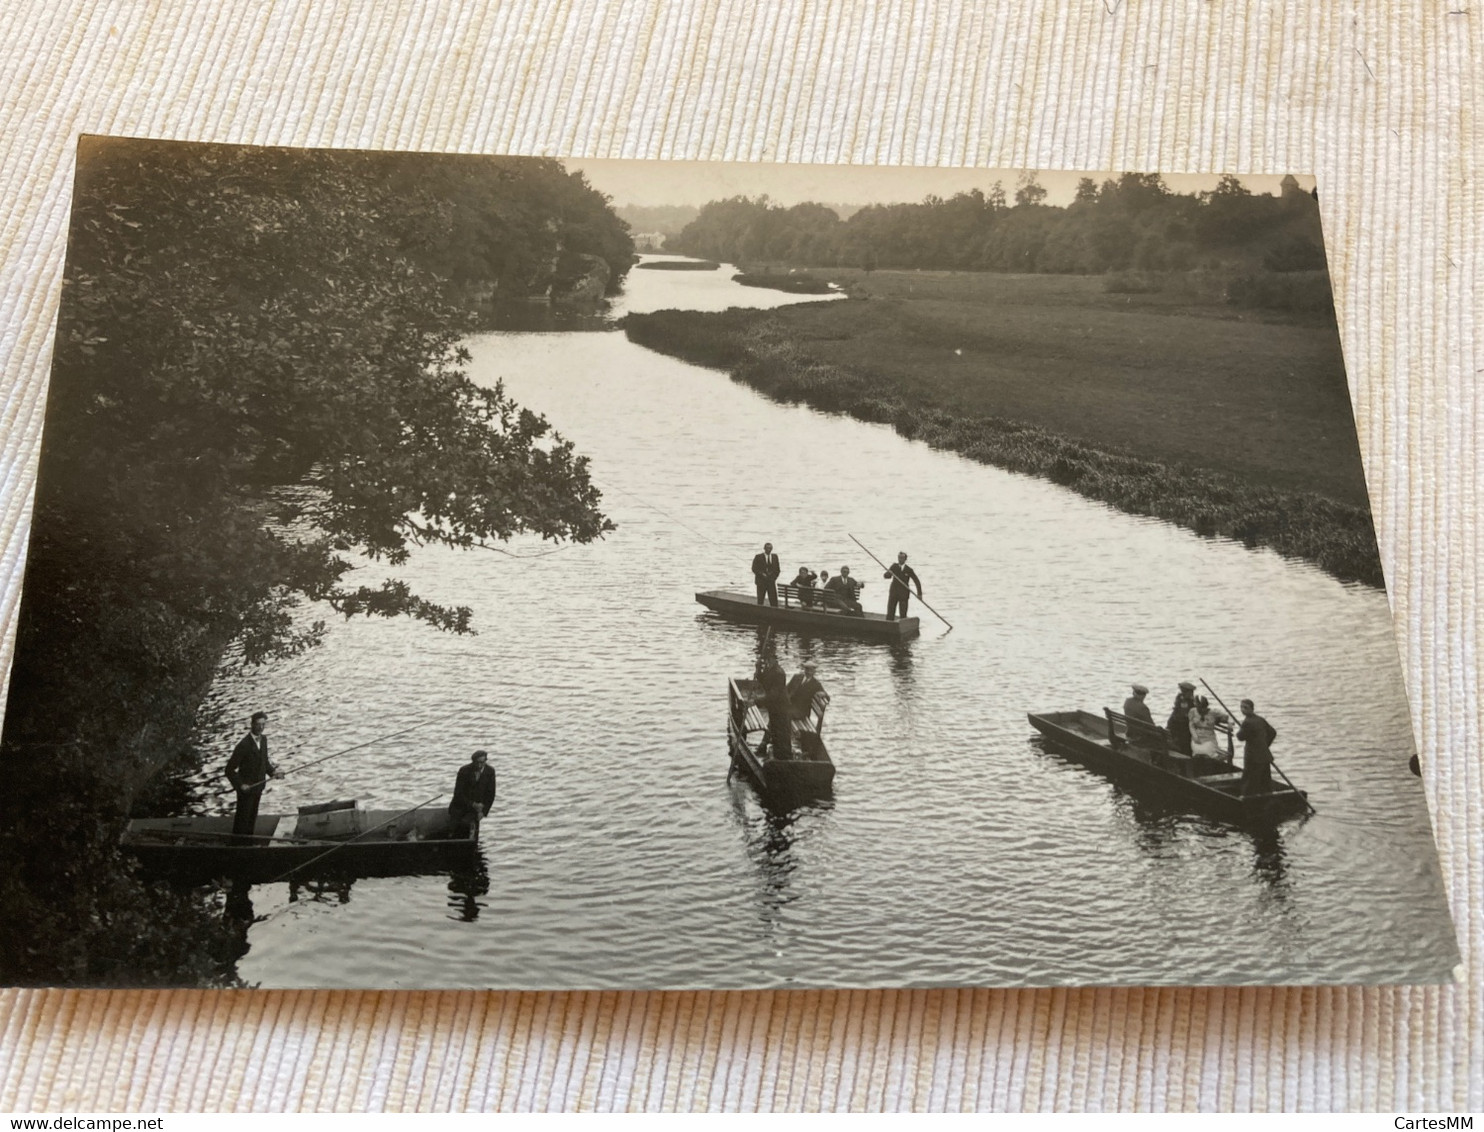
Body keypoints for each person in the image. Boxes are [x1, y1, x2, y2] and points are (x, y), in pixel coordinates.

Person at [225, 710, 280, 838]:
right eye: (258, 724)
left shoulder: (264, 740)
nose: (261, 728)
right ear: (252, 724)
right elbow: (229, 770)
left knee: (252, 818)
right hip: (246, 790)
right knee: (242, 821)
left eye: (263, 724)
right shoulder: (243, 745)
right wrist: (240, 785)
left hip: (258, 787)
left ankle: (248, 845)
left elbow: (264, 762)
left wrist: (273, 772)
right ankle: (237, 847)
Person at [449, 749, 498, 838]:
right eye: (477, 763)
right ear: (473, 762)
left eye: (482, 762)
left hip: (476, 810)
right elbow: (458, 793)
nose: (479, 765)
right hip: (460, 806)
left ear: (486, 761)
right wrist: (473, 804)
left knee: (468, 826)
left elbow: (491, 794)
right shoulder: (464, 770)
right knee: (454, 829)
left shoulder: (490, 771)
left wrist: (483, 812)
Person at [1236, 699, 1278, 796]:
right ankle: (1267, 796)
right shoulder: (1260, 719)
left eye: (1245, 708)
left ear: (1252, 709)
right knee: (1265, 779)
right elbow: (1272, 732)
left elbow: (1240, 737)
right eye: (1241, 707)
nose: (1243, 710)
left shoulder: (1247, 722)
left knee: (1249, 779)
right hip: (1264, 755)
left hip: (1252, 757)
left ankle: (1246, 799)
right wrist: (1264, 745)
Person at [758, 662, 794, 759]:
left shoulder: (778, 673)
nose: (765, 661)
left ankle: (785, 758)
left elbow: (773, 695)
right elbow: (765, 683)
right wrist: (758, 671)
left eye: (767, 659)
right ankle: (779, 757)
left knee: (782, 735)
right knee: (776, 733)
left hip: (781, 708)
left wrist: (757, 701)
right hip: (775, 707)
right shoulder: (770, 669)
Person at [883, 551, 923, 620]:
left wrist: (919, 594)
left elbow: (916, 581)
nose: (900, 559)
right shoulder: (894, 566)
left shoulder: (909, 570)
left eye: (901, 558)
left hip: (904, 594)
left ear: (905, 559)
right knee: (890, 612)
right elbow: (886, 576)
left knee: (903, 614)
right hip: (894, 592)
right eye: (899, 558)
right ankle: (889, 625)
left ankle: (902, 626)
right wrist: (889, 573)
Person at [1188, 696, 1229, 760]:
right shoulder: (1193, 711)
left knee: (1208, 750)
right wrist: (1194, 735)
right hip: (1197, 737)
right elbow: (1191, 725)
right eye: (1198, 707)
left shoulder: (1213, 712)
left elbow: (1227, 718)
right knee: (1197, 749)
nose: (1200, 710)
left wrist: (1221, 720)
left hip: (1209, 737)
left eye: (1202, 708)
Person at [1167, 681, 1198, 755]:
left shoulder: (1190, 701)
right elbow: (1182, 714)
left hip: (1182, 725)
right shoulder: (1182, 699)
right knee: (1184, 741)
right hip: (1180, 726)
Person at [752, 542, 781, 607]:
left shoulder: (775, 557)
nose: (769, 550)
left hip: (771, 582)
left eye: (770, 548)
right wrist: (761, 574)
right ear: (764, 548)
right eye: (767, 548)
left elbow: (777, 570)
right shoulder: (758, 557)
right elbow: (754, 569)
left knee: (773, 600)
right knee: (760, 600)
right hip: (761, 582)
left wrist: (773, 578)